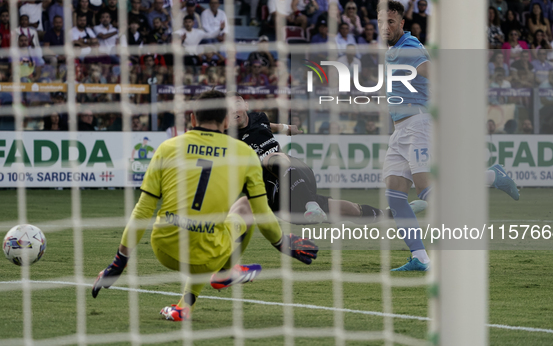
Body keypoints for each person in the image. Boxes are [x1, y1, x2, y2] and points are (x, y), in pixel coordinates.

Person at [91, 90, 318, 321]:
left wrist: (118, 263)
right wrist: (281, 243)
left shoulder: (168, 148)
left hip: (163, 249)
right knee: (245, 207)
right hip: (210, 253)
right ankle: (224, 271)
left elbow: (142, 210)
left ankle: (183, 307)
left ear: (192, 119)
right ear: (226, 120)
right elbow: (262, 212)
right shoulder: (243, 153)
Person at [377, 0, 519, 271]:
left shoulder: (409, 46)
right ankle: (420, 257)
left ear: (401, 23)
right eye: (382, 22)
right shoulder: (393, 49)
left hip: (418, 124)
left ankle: (491, 177)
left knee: (428, 191)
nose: (386, 27)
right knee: (395, 195)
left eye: (391, 21)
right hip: (400, 130)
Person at [225, 92, 418, 226]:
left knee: (275, 157)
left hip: (294, 173)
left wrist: (287, 128)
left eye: (238, 104)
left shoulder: (259, 117)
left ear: (246, 106)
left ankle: (391, 214)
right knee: (347, 210)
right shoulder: (227, 137)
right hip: (277, 198)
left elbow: (270, 125)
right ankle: (388, 215)